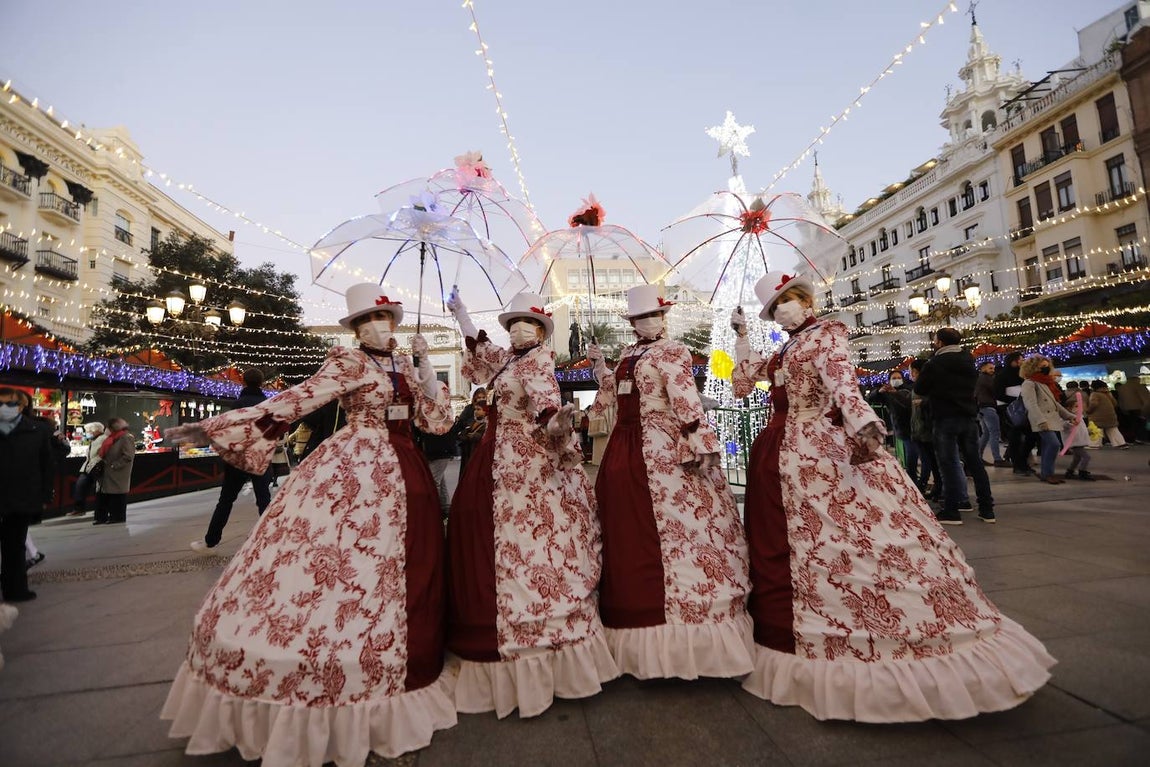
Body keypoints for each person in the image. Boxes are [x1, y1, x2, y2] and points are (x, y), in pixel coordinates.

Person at [731, 272, 1054, 722]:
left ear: (806, 300)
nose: (783, 309)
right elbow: (744, 383)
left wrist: (861, 419)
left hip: (824, 453)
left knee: (853, 535)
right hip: (780, 458)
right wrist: (743, 339)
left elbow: (842, 383)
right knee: (790, 544)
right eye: (774, 307)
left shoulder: (827, 337)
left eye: (788, 300)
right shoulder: (786, 348)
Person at [160, 283, 457, 762]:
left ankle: (408, 642)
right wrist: (215, 427)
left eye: (387, 321)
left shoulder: (404, 363)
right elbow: (297, 400)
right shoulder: (347, 363)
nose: (381, 328)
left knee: (407, 564)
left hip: (409, 470)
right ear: (358, 329)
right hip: (357, 465)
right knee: (338, 559)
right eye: (370, 322)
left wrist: (426, 374)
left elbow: (437, 423)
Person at [445, 288, 618, 718]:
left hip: (524, 459)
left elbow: (544, 402)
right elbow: (479, 348)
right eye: (514, 322)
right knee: (483, 530)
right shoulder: (507, 359)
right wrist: (462, 311)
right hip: (492, 455)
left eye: (530, 323)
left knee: (530, 535)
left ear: (541, 331)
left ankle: (539, 626)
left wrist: (555, 419)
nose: (520, 328)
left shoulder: (538, 360)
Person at [588, 284, 752, 680]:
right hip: (624, 450)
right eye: (640, 318)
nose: (647, 322)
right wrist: (600, 369)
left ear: (663, 319)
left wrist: (701, 439)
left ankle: (687, 625)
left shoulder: (673, 351)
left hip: (663, 447)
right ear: (632, 324)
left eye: (653, 316)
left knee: (680, 529)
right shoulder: (628, 355)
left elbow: (685, 399)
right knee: (627, 530)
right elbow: (611, 395)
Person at [913, 327, 995, 525]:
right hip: (968, 417)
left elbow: (920, 388)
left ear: (940, 342)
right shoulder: (969, 360)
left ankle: (951, 510)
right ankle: (987, 509)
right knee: (975, 463)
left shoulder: (935, 363)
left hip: (945, 417)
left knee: (948, 463)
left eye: (934, 339)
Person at [190, 369, 275, 553]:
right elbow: (274, 431)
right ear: (261, 383)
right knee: (264, 500)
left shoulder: (237, 404)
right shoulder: (268, 405)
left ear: (243, 382)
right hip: (259, 458)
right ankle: (271, 540)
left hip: (237, 460)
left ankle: (210, 541)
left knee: (226, 500)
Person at [0, 386, 57, 603]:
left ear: (21, 407)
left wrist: (44, 495)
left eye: (10, 404)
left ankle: (16, 589)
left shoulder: (36, 431)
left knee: (15, 545)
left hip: (21, 496)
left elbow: (46, 465)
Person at [1020, 356, 1079, 484]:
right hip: (1041, 419)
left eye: (1047, 366)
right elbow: (1031, 404)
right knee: (1054, 444)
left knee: (1049, 445)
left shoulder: (1044, 383)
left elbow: (1055, 404)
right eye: (1042, 366)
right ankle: (1047, 473)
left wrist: (1070, 416)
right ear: (1033, 368)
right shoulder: (1029, 383)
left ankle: (1047, 473)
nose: (1046, 369)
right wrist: (1040, 420)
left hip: (1051, 419)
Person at [995, 352, 1037, 476]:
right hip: (1010, 410)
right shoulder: (1002, 375)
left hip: (1024, 409)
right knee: (1015, 439)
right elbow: (998, 394)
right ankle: (1018, 465)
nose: (1022, 361)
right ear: (1014, 361)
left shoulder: (1023, 375)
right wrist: (1014, 401)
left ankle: (1023, 462)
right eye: (1021, 359)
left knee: (1031, 436)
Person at [92, 417, 135, 525]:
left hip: (117, 473)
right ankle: (101, 517)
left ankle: (117, 517)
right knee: (103, 494)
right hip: (106, 472)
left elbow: (128, 456)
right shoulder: (111, 438)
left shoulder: (126, 438)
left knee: (117, 495)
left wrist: (114, 465)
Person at [413, 421, 458, 518]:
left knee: (434, 481)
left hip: (439, 451)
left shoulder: (438, 416)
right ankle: (445, 507)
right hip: (436, 451)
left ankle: (434, 508)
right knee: (440, 480)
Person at [67, 422, 107, 516]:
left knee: (95, 489)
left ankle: (97, 509)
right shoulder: (95, 439)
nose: (87, 433)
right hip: (89, 467)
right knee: (81, 486)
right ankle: (79, 508)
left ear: (95, 431)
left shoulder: (102, 439)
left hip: (95, 466)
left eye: (88, 431)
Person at [975, 360, 1008, 466]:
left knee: (986, 433)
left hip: (981, 408)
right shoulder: (987, 379)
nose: (992, 370)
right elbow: (995, 390)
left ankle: (978, 457)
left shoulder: (979, 379)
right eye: (990, 368)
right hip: (988, 407)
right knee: (995, 432)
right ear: (983, 368)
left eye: (993, 368)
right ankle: (997, 459)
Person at [1061, 382, 1094, 481]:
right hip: (1074, 442)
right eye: (1075, 407)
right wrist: (1071, 423)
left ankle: (1070, 471)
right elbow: (1063, 426)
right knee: (1086, 457)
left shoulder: (1079, 417)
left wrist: (1088, 431)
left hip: (1078, 441)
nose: (1078, 408)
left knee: (1077, 458)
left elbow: (1081, 428)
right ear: (1068, 408)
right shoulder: (1067, 418)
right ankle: (1082, 472)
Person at [453, 387, 487, 475]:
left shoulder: (489, 411)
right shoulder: (469, 409)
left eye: (483, 397)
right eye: (479, 397)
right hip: (468, 448)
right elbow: (460, 425)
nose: (481, 399)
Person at [1087, 380, 1127, 449]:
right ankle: (1120, 443)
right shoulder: (1108, 393)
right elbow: (1115, 403)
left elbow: (1094, 404)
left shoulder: (1095, 394)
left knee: (1095, 429)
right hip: (1111, 415)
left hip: (1098, 416)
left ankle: (1094, 444)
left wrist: (1088, 411)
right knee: (1113, 429)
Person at [1114, 379, 1150, 444]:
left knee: (1132, 424)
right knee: (1141, 424)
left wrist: (1123, 409)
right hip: (1139, 408)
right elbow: (1146, 399)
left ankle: (1133, 438)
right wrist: (1145, 409)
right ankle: (1141, 438)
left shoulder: (1122, 388)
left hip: (1127, 409)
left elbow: (1120, 400)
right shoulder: (1139, 386)